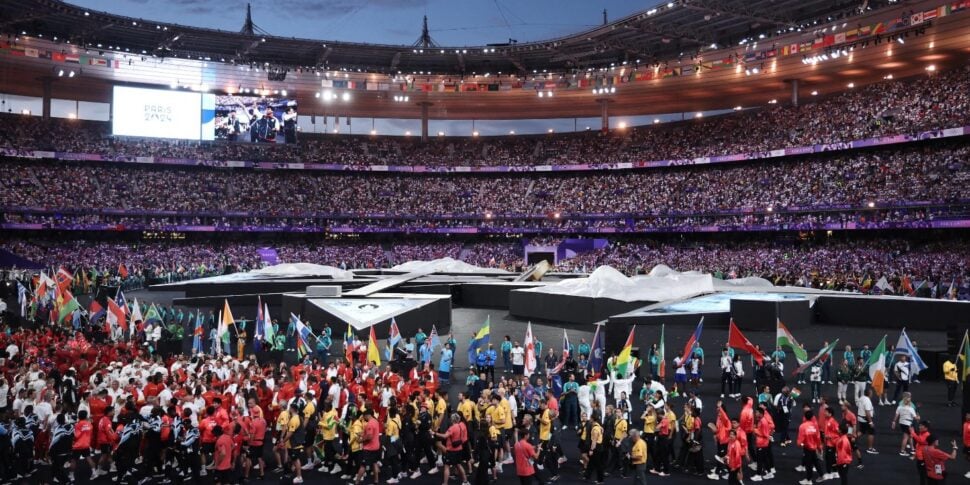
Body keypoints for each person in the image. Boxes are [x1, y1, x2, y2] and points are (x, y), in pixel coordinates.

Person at [796, 410, 825, 485]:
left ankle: (809, 480)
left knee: (809, 464)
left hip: (807, 448)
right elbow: (818, 438)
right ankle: (821, 475)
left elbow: (800, 441)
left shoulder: (802, 426)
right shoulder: (815, 425)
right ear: (812, 417)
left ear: (805, 417)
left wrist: (801, 445)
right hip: (814, 448)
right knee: (815, 461)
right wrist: (819, 448)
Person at [891, 392, 919, 457]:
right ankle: (902, 451)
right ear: (909, 402)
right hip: (908, 424)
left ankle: (912, 449)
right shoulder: (911, 409)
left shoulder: (900, 407)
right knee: (906, 437)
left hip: (902, 423)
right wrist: (918, 417)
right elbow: (916, 418)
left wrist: (894, 422)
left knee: (910, 436)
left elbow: (896, 415)